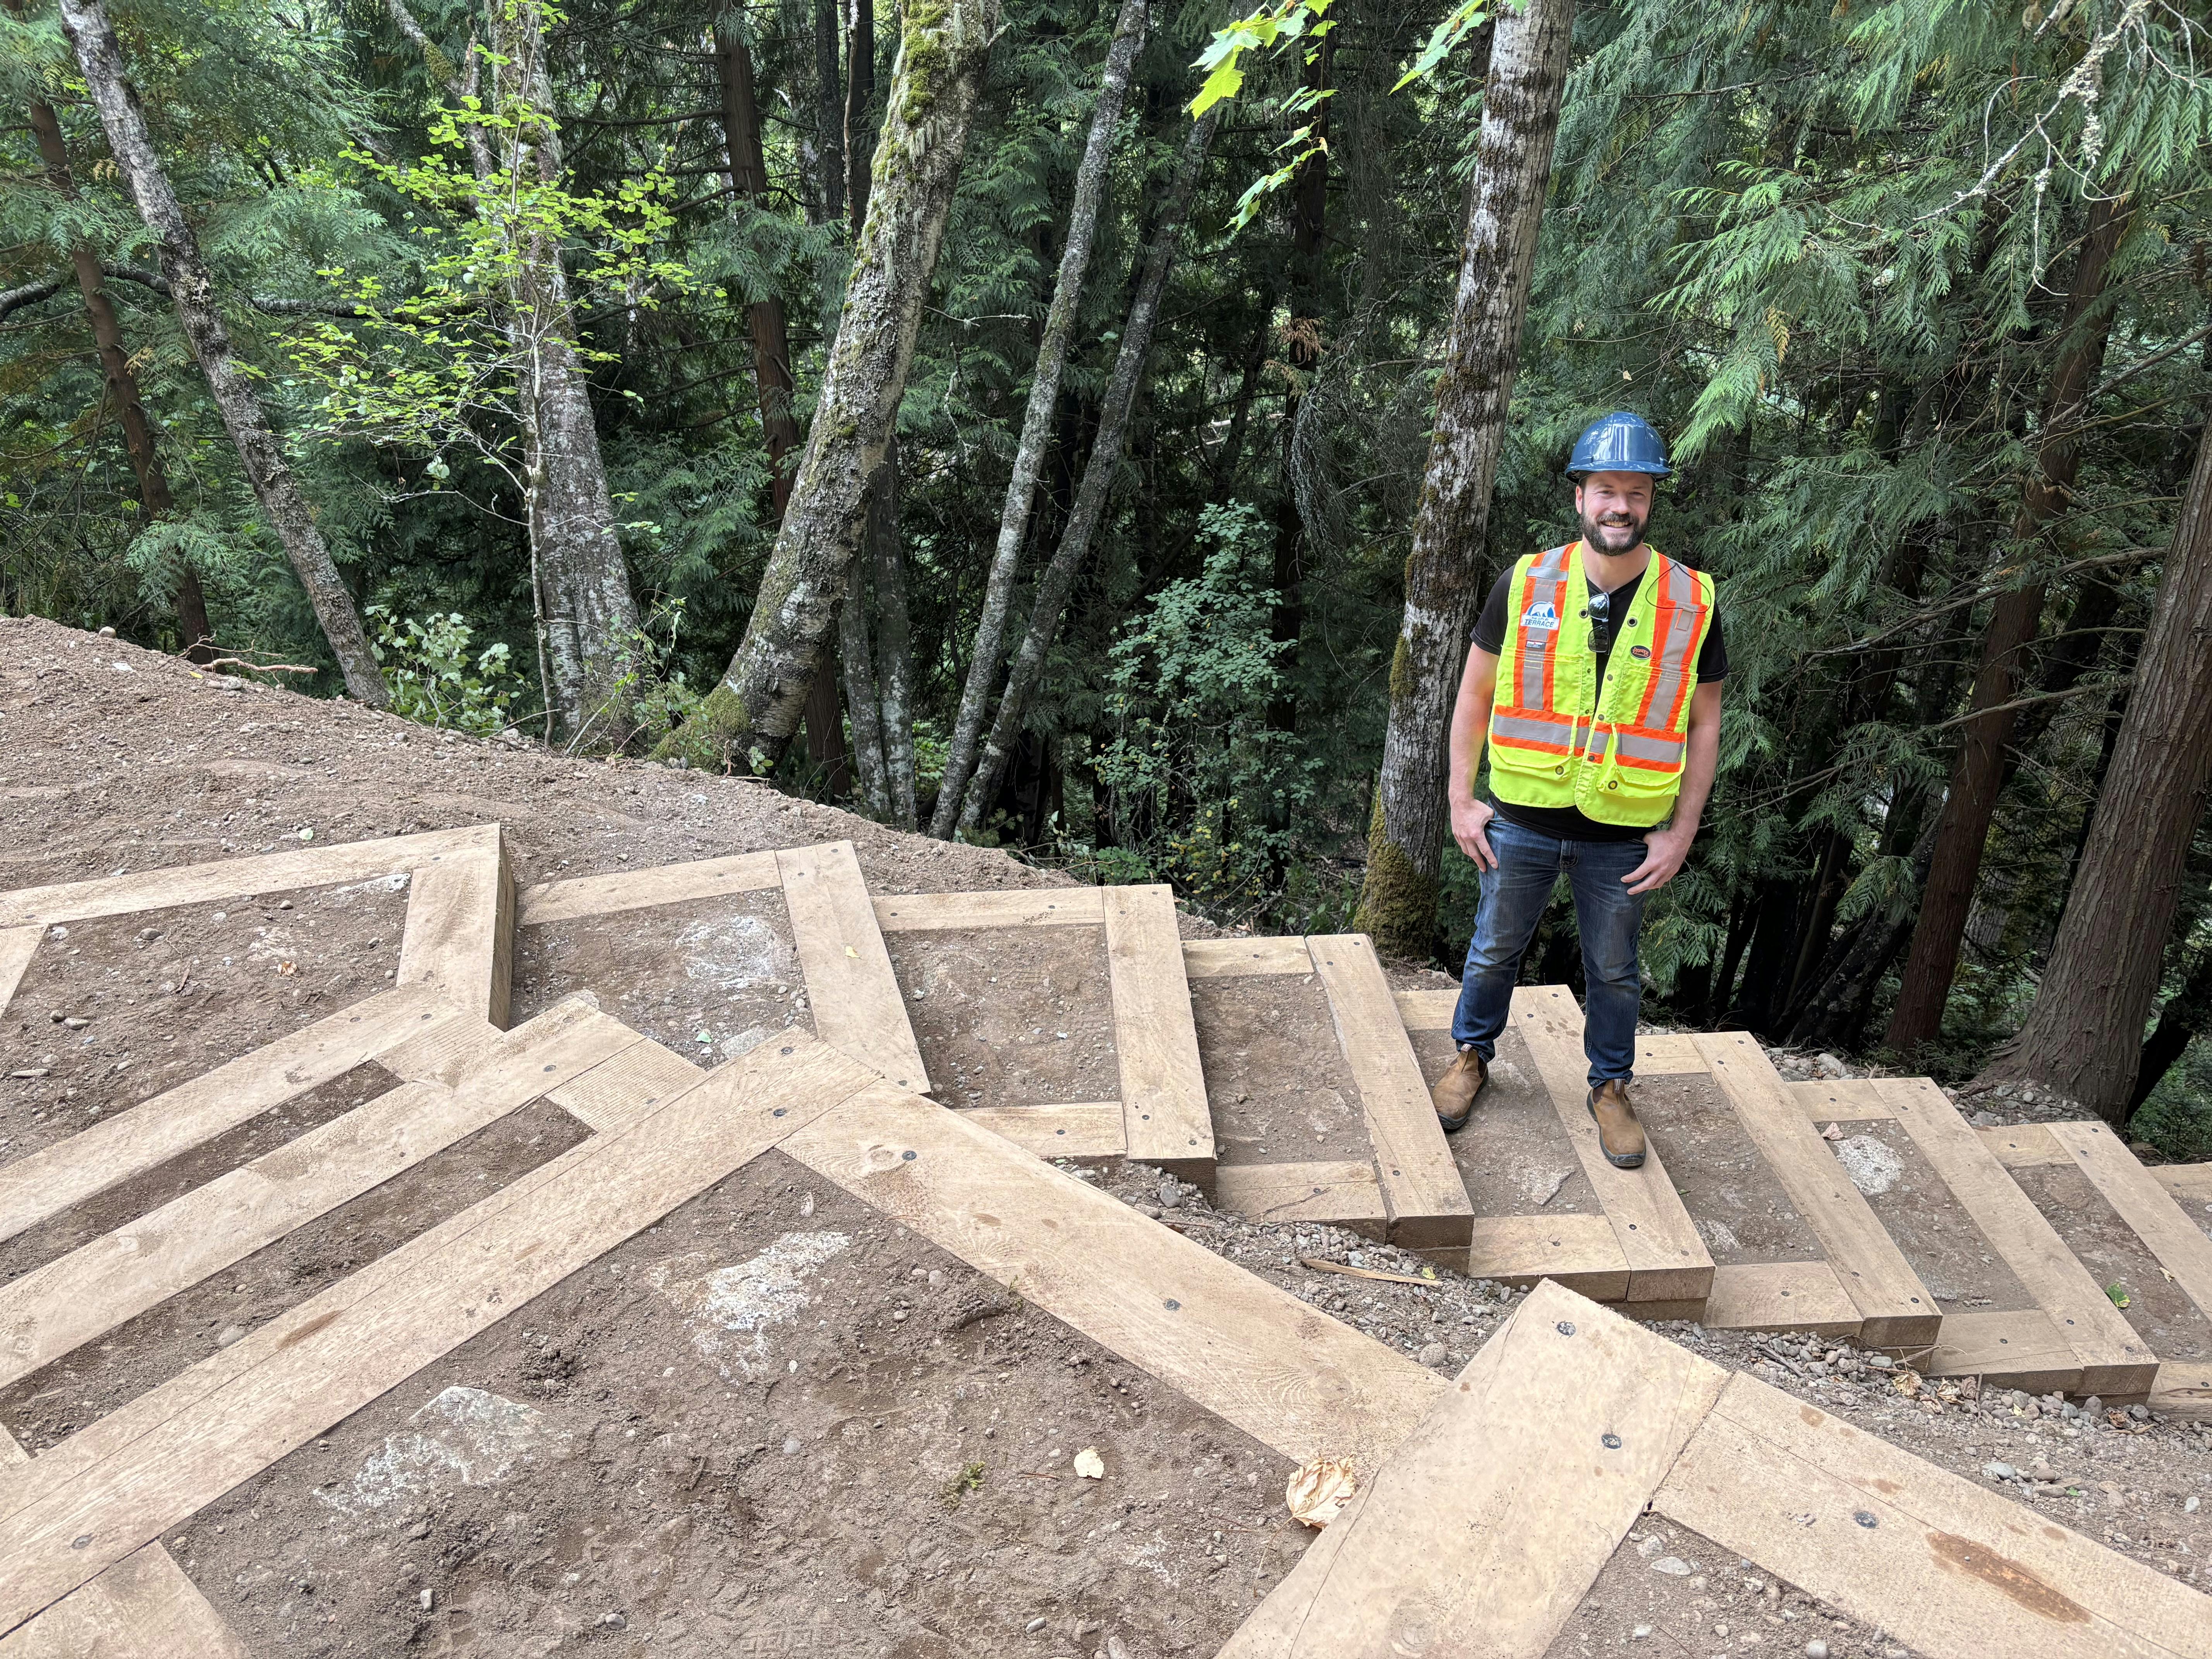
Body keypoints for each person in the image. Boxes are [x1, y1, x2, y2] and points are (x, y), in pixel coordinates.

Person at [1429, 412, 1726, 1169]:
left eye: (1636, 493)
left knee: (1616, 971)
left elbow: (1704, 725)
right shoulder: (1526, 582)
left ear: (1651, 501)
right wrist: (1461, 799)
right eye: (1606, 491)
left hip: (1622, 833)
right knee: (1494, 950)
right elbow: (1474, 695)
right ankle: (1471, 1057)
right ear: (1579, 497)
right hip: (1521, 819)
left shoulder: (1692, 601)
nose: (1620, 506)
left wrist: (1682, 832)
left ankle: (1611, 1088)